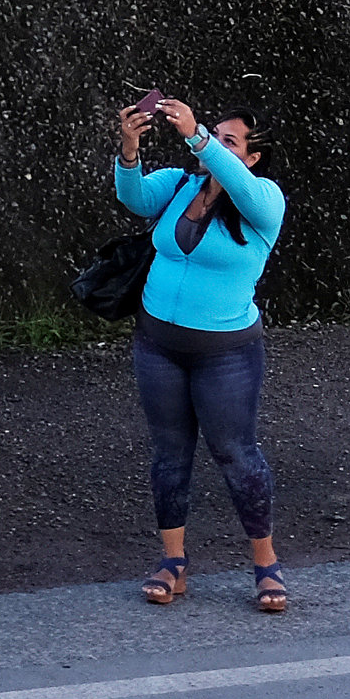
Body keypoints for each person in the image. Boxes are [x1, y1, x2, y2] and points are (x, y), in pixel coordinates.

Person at [112, 95, 289, 611]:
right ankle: (173, 563)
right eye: (214, 134)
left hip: (226, 354)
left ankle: (266, 565)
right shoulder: (181, 185)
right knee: (169, 454)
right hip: (157, 344)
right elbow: (135, 197)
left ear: (252, 157)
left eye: (228, 141)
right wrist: (129, 147)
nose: (212, 145)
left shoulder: (263, 199)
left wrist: (197, 138)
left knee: (237, 454)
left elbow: (237, 185)